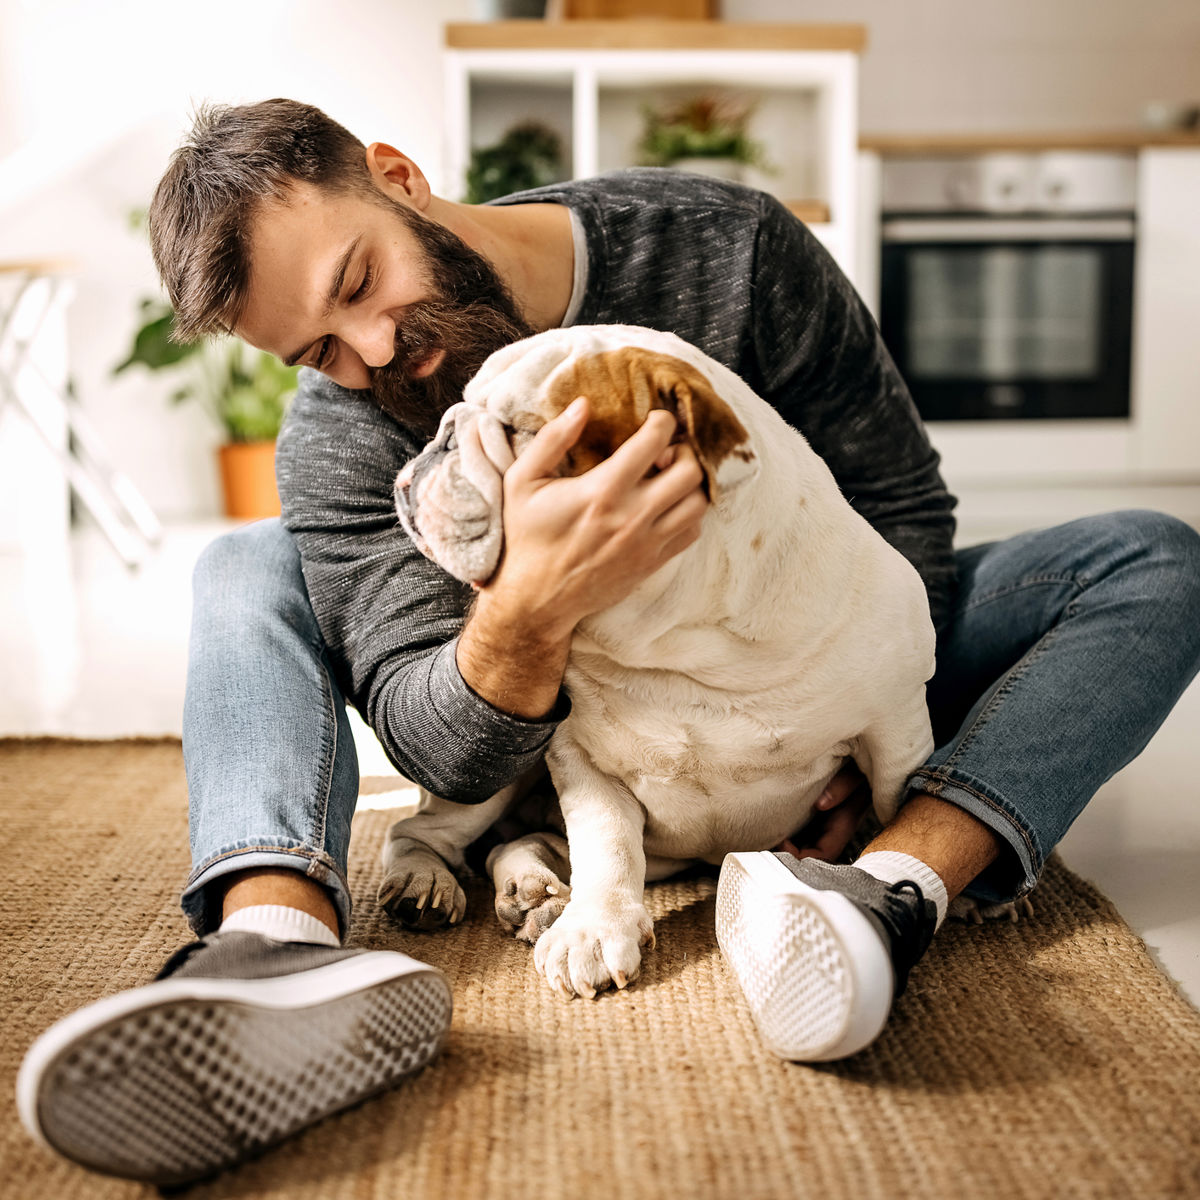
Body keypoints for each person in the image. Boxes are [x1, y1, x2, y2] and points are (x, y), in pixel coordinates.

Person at [18, 97, 1200, 1184]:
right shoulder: (343, 438)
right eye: (317, 349)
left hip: (817, 659)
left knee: (1157, 560)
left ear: (396, 176)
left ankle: (895, 878)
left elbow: (902, 510)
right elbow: (445, 749)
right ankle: (273, 945)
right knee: (244, 561)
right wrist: (534, 600)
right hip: (578, 734)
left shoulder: (725, 249)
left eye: (360, 281)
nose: (374, 354)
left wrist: (824, 703)